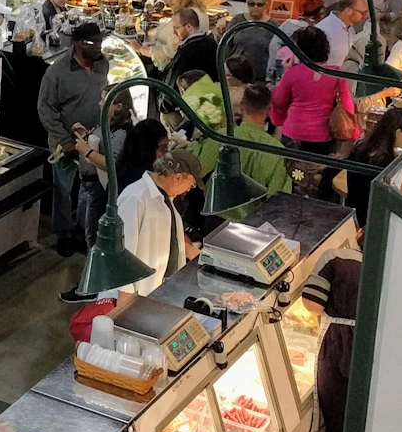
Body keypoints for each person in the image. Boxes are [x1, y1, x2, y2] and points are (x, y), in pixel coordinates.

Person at [302, 251, 365, 432]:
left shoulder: (335, 259)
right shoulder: (387, 259)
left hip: (340, 352)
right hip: (367, 350)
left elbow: (311, 304)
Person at [37, 22, 110, 257]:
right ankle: (63, 234)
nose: (99, 47)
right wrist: (63, 139)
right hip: (65, 143)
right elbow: (46, 109)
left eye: (100, 41)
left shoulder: (102, 63)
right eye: (94, 43)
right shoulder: (57, 72)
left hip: (94, 140)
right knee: (63, 190)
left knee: (89, 188)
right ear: (79, 44)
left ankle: (82, 229)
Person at [196, 83, 292, 219]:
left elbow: (198, 170)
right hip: (252, 223)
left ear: (241, 105)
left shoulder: (221, 136)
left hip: (215, 218)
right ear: (269, 110)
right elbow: (278, 198)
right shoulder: (278, 151)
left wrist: (195, 143)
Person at [115, 149, 202, 296]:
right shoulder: (136, 197)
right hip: (135, 295)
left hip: (161, 289)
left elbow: (169, 230)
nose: (188, 190)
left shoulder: (166, 198)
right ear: (178, 177)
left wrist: (188, 248)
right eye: (191, 185)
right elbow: (122, 251)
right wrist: (125, 296)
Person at [270, 22, 355, 162]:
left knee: (291, 174)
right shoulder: (337, 73)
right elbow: (347, 105)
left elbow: (279, 100)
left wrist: (284, 74)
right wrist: (353, 134)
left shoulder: (292, 73)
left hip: (294, 132)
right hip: (323, 135)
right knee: (316, 175)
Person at [338, 108, 402, 227]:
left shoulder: (360, 148)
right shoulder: (387, 163)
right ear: (398, 132)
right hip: (371, 218)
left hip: (353, 212)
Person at [224, 0, 275, 82]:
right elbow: (226, 46)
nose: (255, 7)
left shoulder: (272, 25)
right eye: (251, 4)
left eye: (260, 4)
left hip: (260, 77)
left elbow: (275, 52)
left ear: (265, 5)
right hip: (235, 75)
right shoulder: (237, 20)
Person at [167, 6, 217, 84]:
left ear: (189, 27)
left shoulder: (187, 51)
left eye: (176, 28)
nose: (174, 32)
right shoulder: (212, 43)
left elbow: (174, 83)